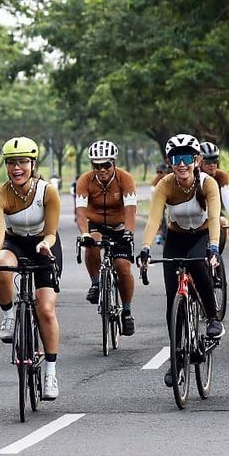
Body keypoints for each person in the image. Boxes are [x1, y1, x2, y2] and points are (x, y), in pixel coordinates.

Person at [137, 134, 223, 388]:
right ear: (169, 161)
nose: (181, 164)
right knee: (171, 297)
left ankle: (212, 317)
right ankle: (176, 360)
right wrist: (145, 247)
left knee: (197, 264)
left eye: (187, 158)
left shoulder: (207, 184)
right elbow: (154, 220)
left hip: (202, 234)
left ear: (197, 160)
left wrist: (215, 248)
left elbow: (216, 217)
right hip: (176, 236)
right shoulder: (165, 185)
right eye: (176, 158)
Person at [0, 136, 63, 400]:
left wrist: (45, 244)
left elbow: (51, 232)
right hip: (15, 242)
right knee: (1, 267)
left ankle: (51, 373)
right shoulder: (0, 196)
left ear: (32, 163)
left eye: (22, 162)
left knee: (46, 310)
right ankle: (8, 315)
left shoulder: (47, 191)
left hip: (45, 245)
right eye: (11, 163)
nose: (16, 168)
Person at [75, 140, 138, 335]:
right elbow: (80, 212)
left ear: (114, 163)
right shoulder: (85, 180)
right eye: (96, 165)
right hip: (96, 224)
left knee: (122, 267)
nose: (101, 170)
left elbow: (130, 210)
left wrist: (128, 232)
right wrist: (84, 234)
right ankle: (95, 283)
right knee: (91, 240)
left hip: (120, 226)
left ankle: (126, 311)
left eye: (106, 165)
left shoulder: (125, 179)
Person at [199, 141, 229, 251]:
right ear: (199, 162)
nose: (212, 165)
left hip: (214, 211)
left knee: (223, 222)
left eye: (215, 161)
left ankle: (217, 254)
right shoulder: (193, 176)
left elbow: (226, 198)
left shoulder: (221, 176)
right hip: (196, 212)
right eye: (208, 162)